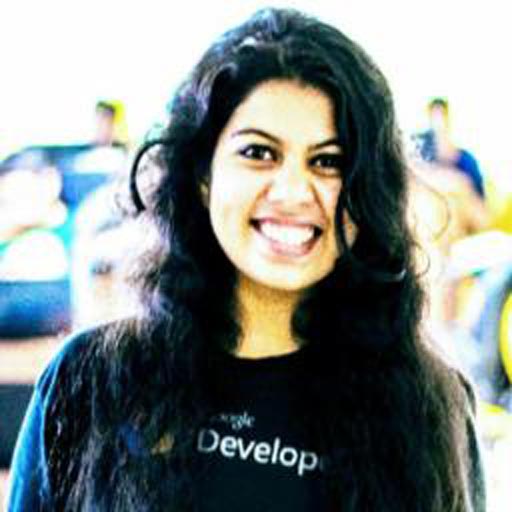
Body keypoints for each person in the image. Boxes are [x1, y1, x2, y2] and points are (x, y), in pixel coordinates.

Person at [6, 8, 486, 511]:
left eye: (327, 162)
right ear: (202, 175)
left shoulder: (428, 408)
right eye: (259, 153)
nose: (293, 191)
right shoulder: (90, 382)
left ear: (366, 194)